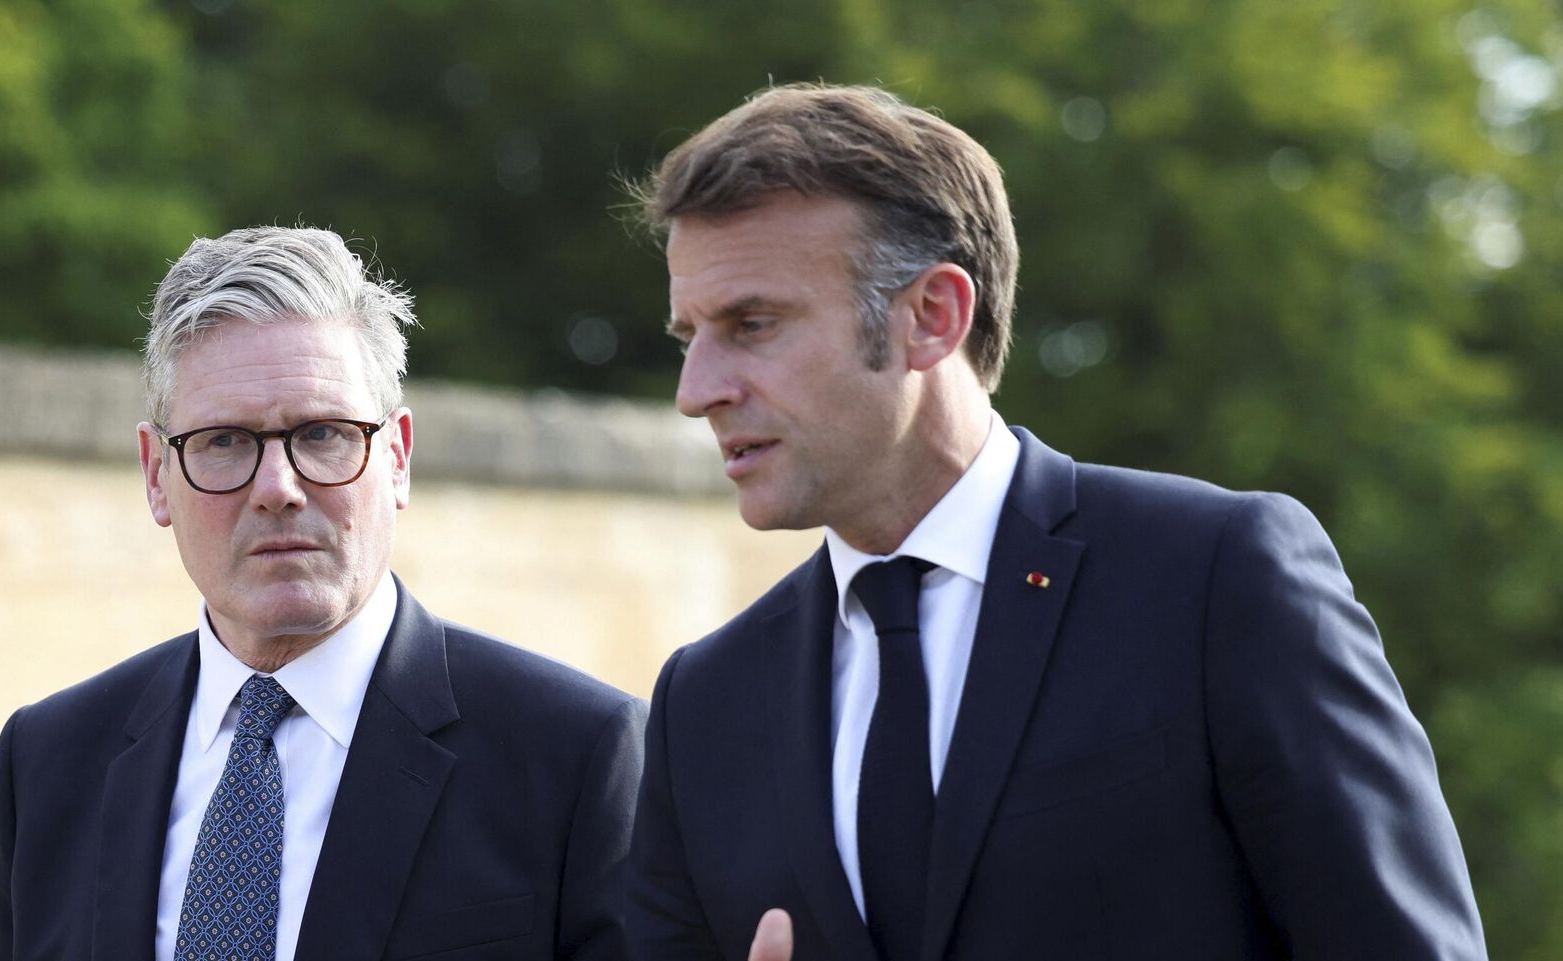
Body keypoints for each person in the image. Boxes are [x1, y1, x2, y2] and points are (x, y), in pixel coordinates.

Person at [627, 84, 1486, 961]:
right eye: (689, 336)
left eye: (752, 324)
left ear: (933, 317)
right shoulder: (702, 707)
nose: (697, 392)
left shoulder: (1216, 581)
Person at [0, 226, 645, 961]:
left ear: (397, 457)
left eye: (323, 433)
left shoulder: (575, 756)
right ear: (155, 474)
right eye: (224, 440)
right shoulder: (48, 763)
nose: (277, 488)